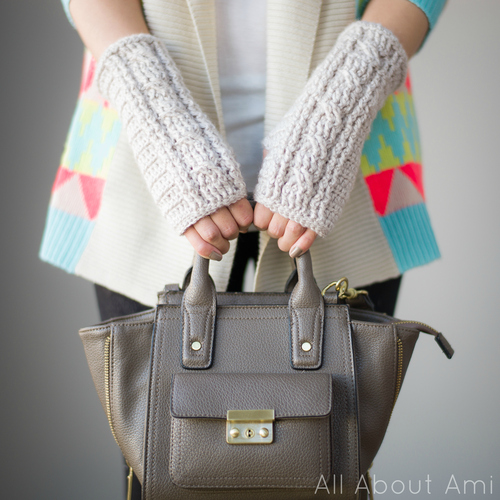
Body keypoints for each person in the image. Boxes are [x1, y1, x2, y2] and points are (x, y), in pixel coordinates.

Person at [40, 0, 446, 497]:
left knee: (325, 467)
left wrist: (348, 94)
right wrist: (160, 121)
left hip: (352, 175)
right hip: (147, 178)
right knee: (164, 468)